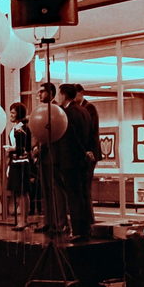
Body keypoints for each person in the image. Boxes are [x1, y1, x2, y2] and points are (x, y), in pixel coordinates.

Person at [57, 83, 93, 242]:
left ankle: (77, 230)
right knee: (82, 195)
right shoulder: (84, 111)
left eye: (59, 94)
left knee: (73, 196)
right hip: (83, 160)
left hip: (71, 160)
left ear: (64, 95)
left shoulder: (68, 113)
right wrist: (88, 152)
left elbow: (72, 137)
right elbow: (90, 133)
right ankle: (85, 229)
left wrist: (82, 153)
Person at [32, 83, 68, 236]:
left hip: (54, 155)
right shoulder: (41, 111)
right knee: (46, 190)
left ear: (50, 93)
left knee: (56, 190)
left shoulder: (57, 111)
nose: (39, 95)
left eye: (42, 92)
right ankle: (49, 222)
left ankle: (61, 223)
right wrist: (35, 148)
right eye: (38, 92)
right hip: (43, 156)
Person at [75, 84, 102, 224]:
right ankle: (84, 217)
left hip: (89, 152)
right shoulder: (78, 108)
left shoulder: (89, 108)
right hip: (82, 152)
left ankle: (89, 218)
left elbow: (92, 131)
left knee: (85, 186)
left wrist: (90, 150)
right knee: (81, 186)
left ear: (81, 93)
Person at [5, 102, 32, 231]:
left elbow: (24, 148)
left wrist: (12, 149)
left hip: (21, 163)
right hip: (15, 162)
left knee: (22, 192)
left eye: (13, 113)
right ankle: (22, 220)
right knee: (19, 192)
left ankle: (23, 220)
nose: (11, 115)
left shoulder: (22, 128)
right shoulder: (16, 127)